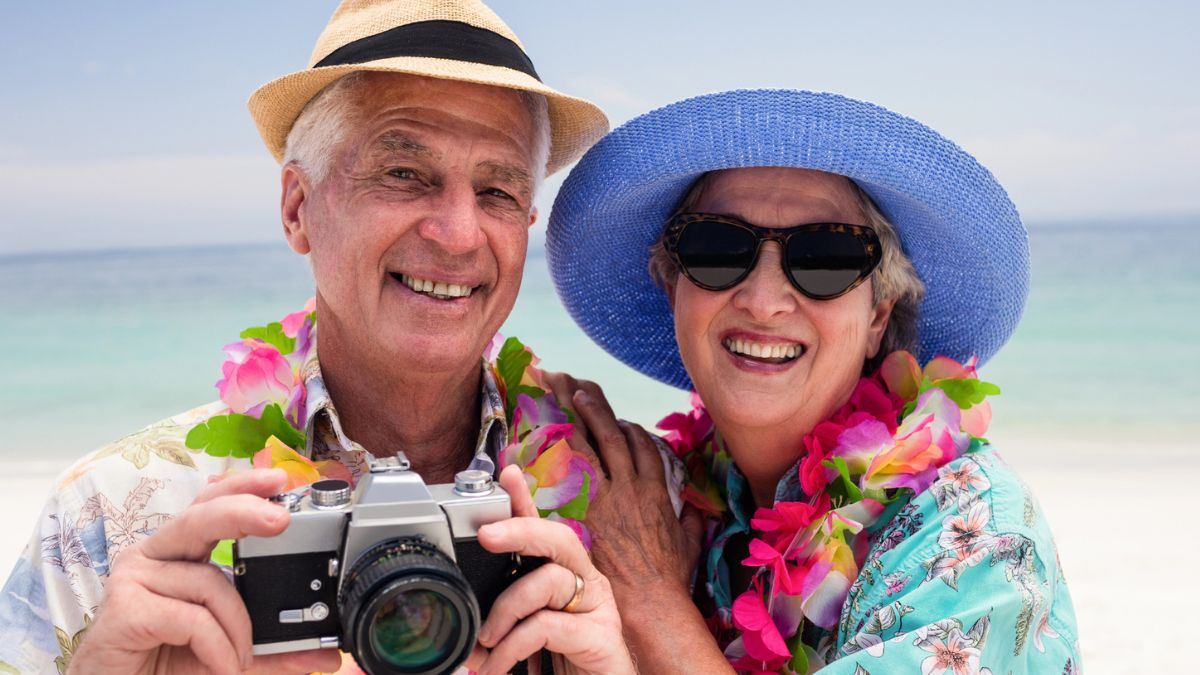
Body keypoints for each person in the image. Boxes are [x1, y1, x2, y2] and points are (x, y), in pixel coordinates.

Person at [0, 2, 633, 674]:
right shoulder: (109, 516)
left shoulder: (634, 504)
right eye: (403, 174)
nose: (458, 233)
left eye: (498, 189)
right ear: (298, 209)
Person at [542, 90, 1081, 673]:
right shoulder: (665, 502)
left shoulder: (976, 537)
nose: (764, 300)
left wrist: (650, 597)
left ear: (878, 314)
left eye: (825, 257)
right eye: (717, 248)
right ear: (674, 288)